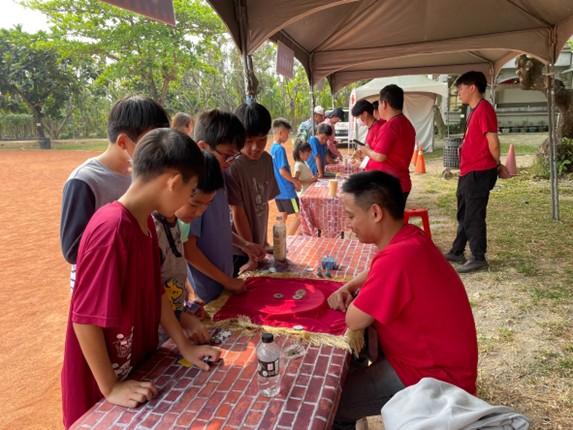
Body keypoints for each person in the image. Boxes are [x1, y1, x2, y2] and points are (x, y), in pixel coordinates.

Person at [61, 128, 221, 429]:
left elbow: (156, 292)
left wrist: (184, 346)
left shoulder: (144, 222)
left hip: (133, 368)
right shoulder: (111, 230)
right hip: (100, 384)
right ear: (174, 182)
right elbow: (83, 318)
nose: (190, 200)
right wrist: (110, 387)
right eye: (191, 190)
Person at [327, 170, 478, 430]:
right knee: (356, 353)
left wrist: (351, 297)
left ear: (376, 213)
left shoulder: (396, 259)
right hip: (441, 361)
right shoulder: (410, 236)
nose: (349, 225)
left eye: (351, 216)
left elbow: (354, 320)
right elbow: (378, 267)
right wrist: (351, 285)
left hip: (432, 376)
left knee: (334, 403)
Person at [60, 96, 170, 292]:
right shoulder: (85, 180)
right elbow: (73, 250)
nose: (157, 152)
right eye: (150, 144)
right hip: (99, 288)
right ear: (123, 142)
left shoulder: (141, 174)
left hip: (133, 281)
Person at [184, 109, 265, 304]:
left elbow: (219, 227)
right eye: (227, 156)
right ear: (202, 147)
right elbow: (189, 249)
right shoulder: (195, 190)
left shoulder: (220, 176)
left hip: (223, 284)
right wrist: (227, 281)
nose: (230, 162)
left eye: (234, 157)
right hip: (206, 293)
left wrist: (245, 244)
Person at [152, 151, 224, 347]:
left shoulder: (177, 222)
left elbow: (173, 271)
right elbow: (151, 293)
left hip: (173, 331)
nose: (199, 212)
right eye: (194, 204)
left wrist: (189, 301)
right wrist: (181, 318)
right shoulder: (150, 231)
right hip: (156, 335)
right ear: (175, 186)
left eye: (207, 205)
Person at [444, 71, 511, 273]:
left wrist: (497, 165)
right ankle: (457, 251)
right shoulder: (474, 110)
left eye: (461, 88)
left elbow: (493, 143)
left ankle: (478, 257)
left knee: (473, 215)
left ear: (472, 87)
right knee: (464, 213)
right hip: (468, 170)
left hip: (479, 170)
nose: (459, 93)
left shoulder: (484, 109)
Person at [226, 103, 280, 276]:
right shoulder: (233, 166)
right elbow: (238, 214)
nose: (256, 147)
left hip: (257, 248)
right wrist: (251, 255)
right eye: (248, 141)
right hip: (239, 251)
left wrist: (263, 242)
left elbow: (263, 204)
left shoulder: (267, 160)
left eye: (262, 139)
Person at [360, 84, 416, 208]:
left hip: (389, 185)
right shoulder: (407, 124)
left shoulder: (390, 126)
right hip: (400, 182)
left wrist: (367, 151)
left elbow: (380, 156)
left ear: (384, 104)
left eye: (379, 104)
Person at [270, 118, 302, 236]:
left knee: (283, 215)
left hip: (278, 191)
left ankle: (279, 239)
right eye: (287, 133)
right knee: (300, 216)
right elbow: (282, 171)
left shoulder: (272, 148)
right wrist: (295, 182)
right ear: (280, 132)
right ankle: (288, 239)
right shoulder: (280, 149)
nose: (288, 136)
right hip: (287, 191)